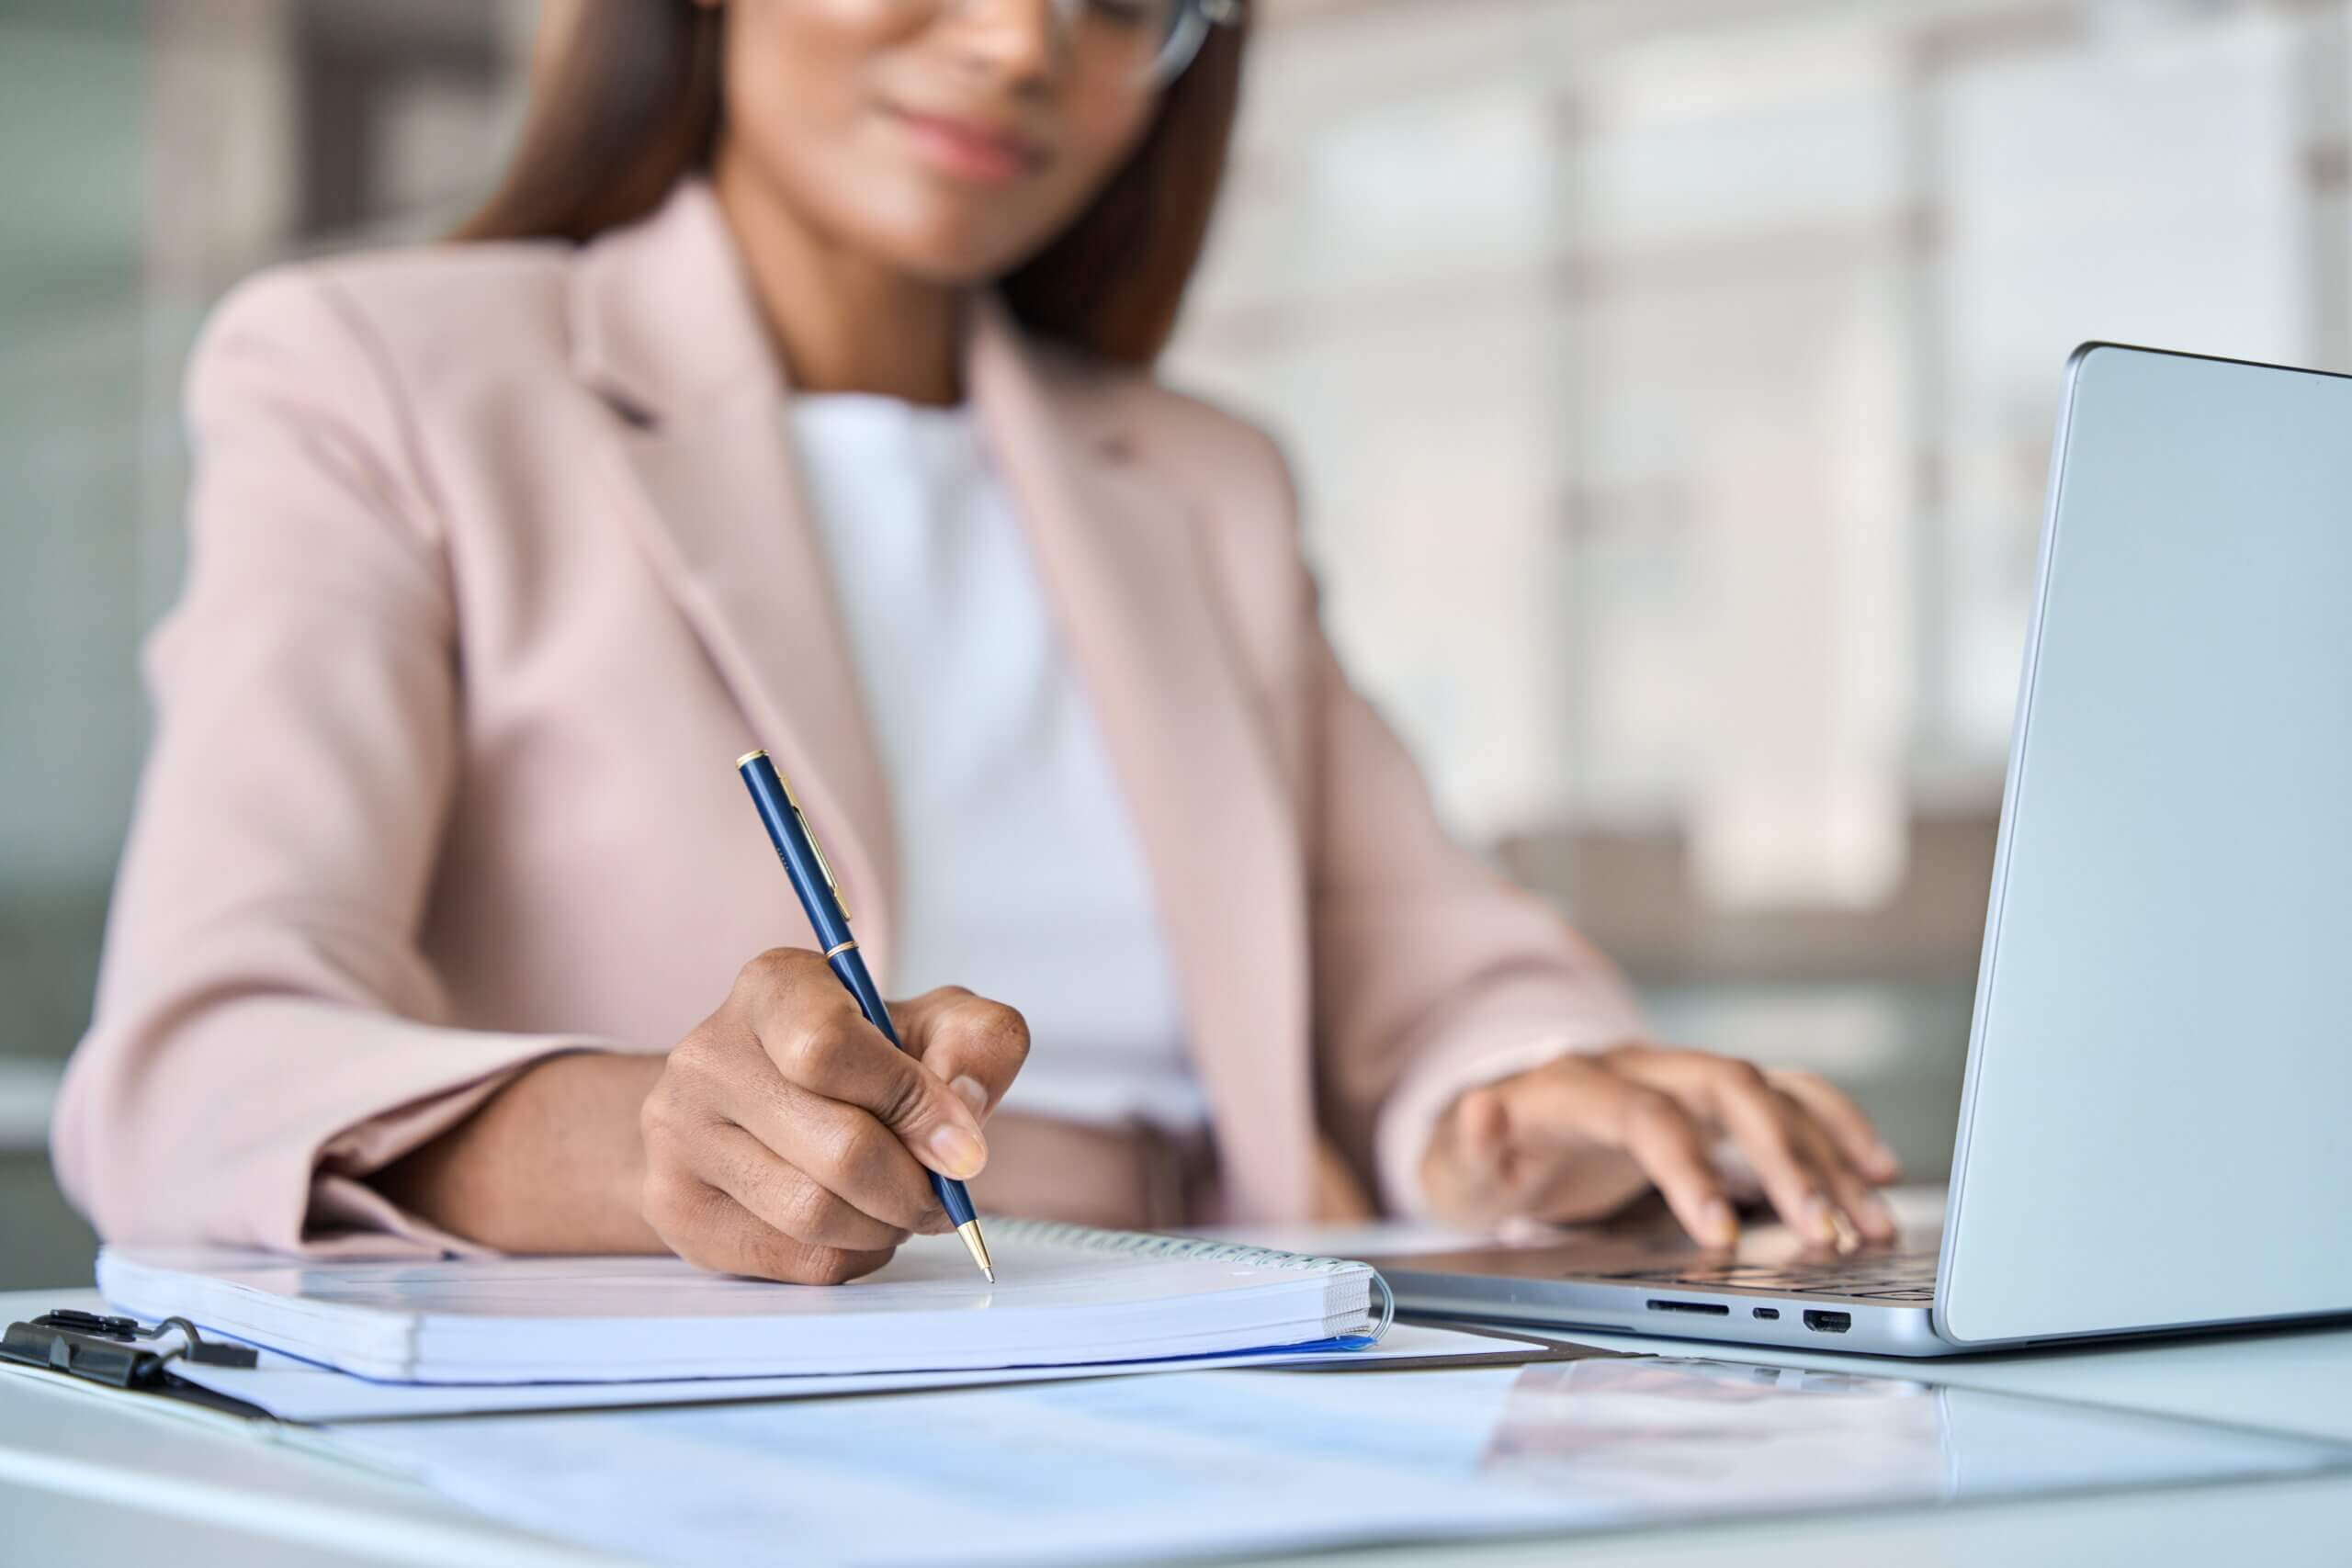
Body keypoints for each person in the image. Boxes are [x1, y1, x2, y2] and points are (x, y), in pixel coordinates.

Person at [52, 0, 1901, 1285]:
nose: (1022, 43)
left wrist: (1526, 1090)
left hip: (1226, 1353)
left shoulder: (1198, 478)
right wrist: (642, 1148)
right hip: (681, 1413)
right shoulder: (383, 375)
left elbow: (1434, 967)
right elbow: (194, 1065)